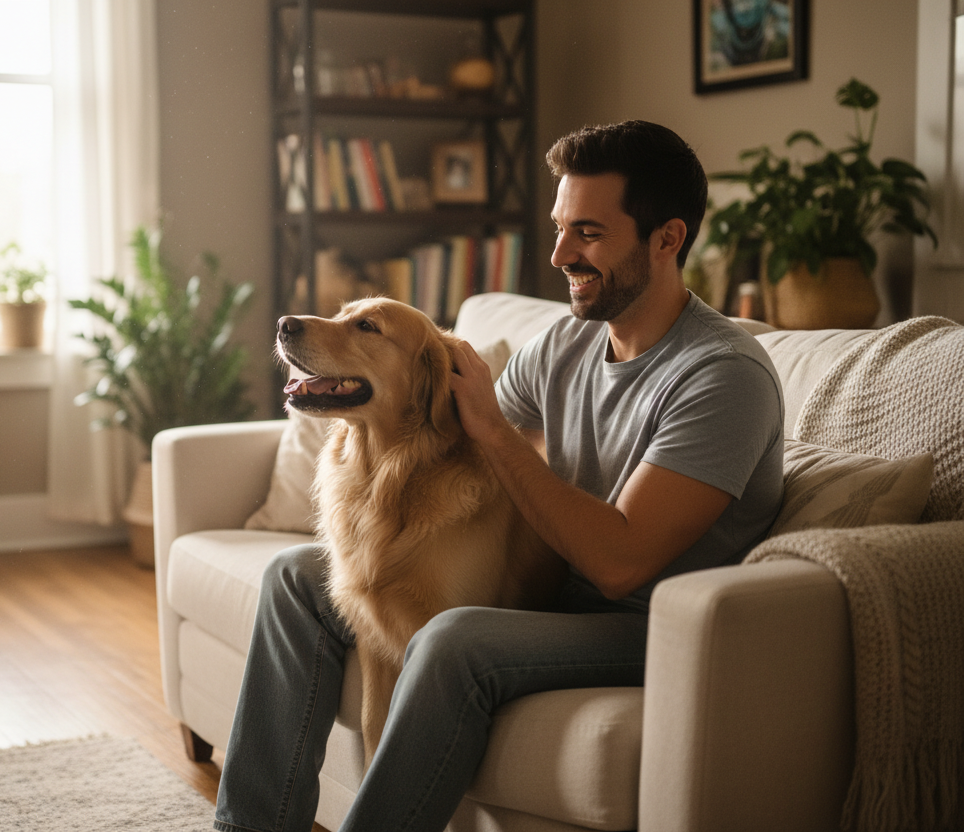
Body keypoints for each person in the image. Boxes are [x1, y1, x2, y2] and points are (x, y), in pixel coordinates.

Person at [214, 120, 784, 832]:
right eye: (560, 228)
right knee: (294, 578)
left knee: (454, 639)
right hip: (557, 597)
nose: (560, 254)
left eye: (588, 233)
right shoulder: (568, 341)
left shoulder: (722, 376)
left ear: (668, 239)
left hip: (650, 623)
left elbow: (620, 563)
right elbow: (448, 433)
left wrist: (490, 429)